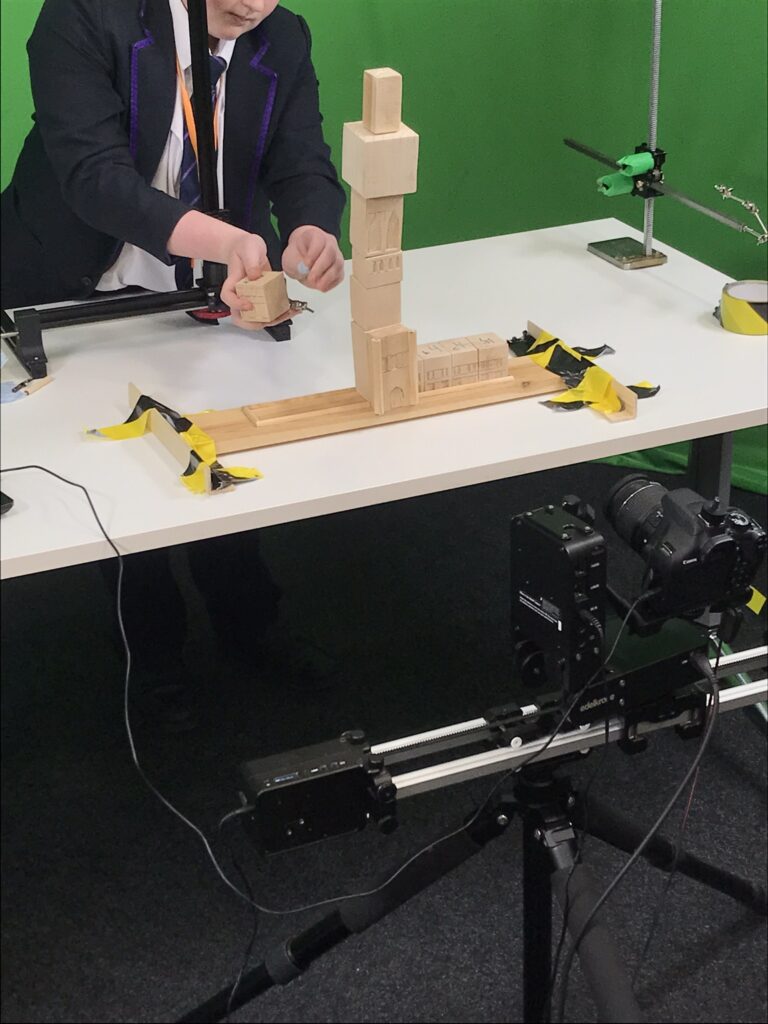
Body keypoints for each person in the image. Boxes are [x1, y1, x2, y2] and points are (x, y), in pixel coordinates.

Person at [1, 0, 347, 727]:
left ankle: (249, 622)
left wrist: (313, 224)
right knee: (115, 476)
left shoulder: (280, 35)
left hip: (200, 285)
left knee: (218, 445)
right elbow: (92, 176)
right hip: (71, 284)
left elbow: (301, 160)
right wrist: (224, 239)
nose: (252, 4)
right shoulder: (83, 15)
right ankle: (152, 654)